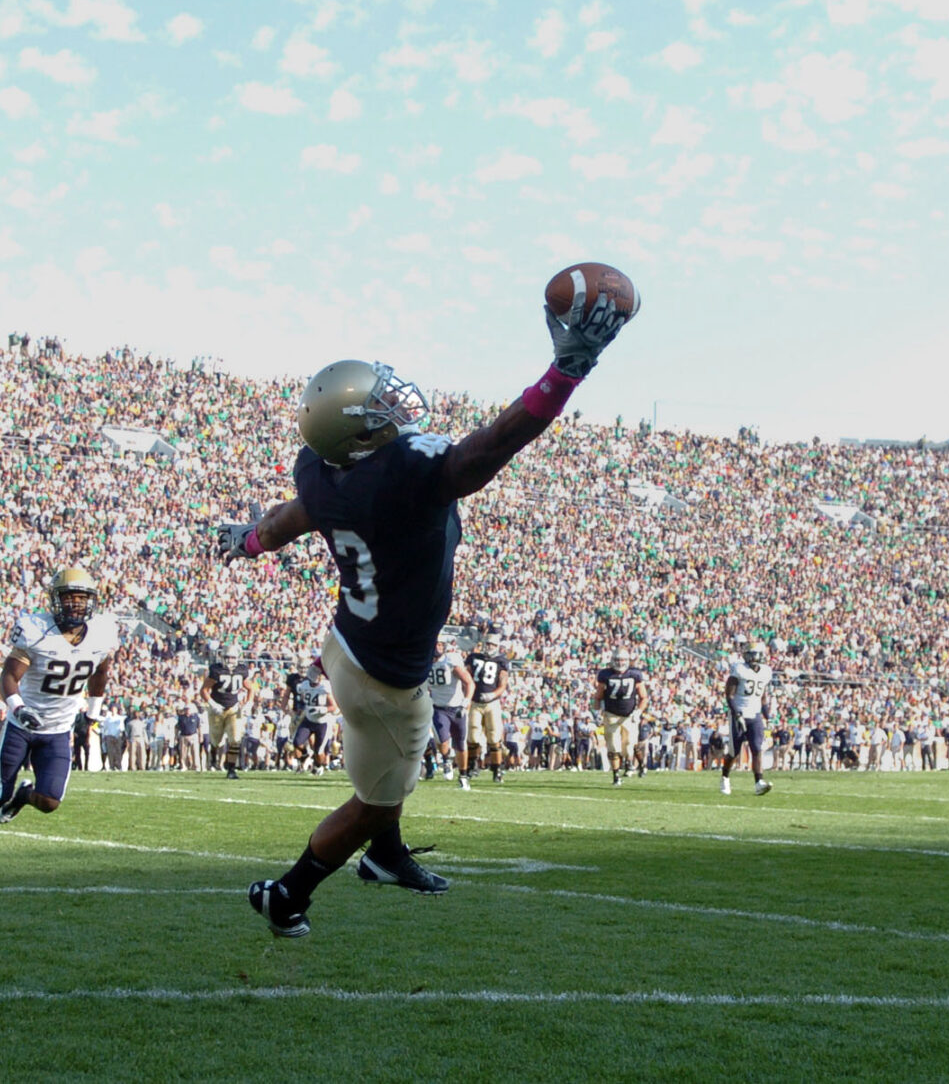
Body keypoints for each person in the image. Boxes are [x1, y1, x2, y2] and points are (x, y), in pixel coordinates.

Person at [219, 268, 640, 937]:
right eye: (377, 402)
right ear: (357, 434)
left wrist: (248, 541)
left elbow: (290, 518)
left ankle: (385, 858)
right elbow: (495, 446)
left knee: (384, 776)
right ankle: (289, 894)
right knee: (376, 798)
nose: (393, 400)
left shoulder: (324, 470)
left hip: (350, 646)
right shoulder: (399, 481)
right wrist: (567, 370)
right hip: (387, 677)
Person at [0, 567, 119, 876]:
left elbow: (101, 674)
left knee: (51, 801)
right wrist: (18, 706)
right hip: (22, 725)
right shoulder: (36, 628)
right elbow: (9, 676)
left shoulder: (102, 632)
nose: (75, 605)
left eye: (81, 599)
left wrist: (92, 714)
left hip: (58, 730)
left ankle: (25, 796)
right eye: (69, 599)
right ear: (56, 601)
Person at [720, 641, 775, 796]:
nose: (751, 657)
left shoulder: (765, 671)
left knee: (757, 748)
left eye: (753, 654)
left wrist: (767, 716)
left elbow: (763, 698)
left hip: (755, 714)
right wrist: (737, 714)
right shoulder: (739, 669)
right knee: (734, 751)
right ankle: (725, 777)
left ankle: (759, 782)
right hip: (739, 713)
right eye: (749, 654)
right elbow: (729, 695)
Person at [425, 632, 474, 789]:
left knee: (460, 743)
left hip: (457, 707)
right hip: (439, 707)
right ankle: (446, 759)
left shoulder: (450, 661)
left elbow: (469, 683)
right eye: (436, 644)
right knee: (442, 741)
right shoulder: (424, 663)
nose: (438, 647)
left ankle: (463, 775)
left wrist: (465, 704)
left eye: (441, 644)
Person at [199, 643, 253, 780]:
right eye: (227, 657)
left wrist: (247, 703)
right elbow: (203, 690)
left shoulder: (242, 670)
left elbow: (251, 689)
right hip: (217, 709)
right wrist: (212, 704)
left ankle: (231, 769)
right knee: (216, 740)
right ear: (222, 657)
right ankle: (213, 758)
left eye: (233, 658)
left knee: (235, 739)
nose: (230, 661)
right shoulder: (216, 670)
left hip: (233, 708)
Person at [595, 651, 648, 786]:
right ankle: (616, 776)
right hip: (611, 714)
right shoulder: (605, 674)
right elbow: (598, 696)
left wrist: (638, 712)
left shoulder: (634, 674)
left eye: (623, 659)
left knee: (630, 745)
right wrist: (597, 712)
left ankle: (640, 765)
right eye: (617, 659)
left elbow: (644, 697)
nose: (620, 663)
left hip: (629, 715)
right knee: (613, 746)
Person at [466, 641, 510, 783]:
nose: (489, 646)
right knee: (472, 736)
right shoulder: (473, 658)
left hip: (492, 703)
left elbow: (503, 684)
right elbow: (466, 678)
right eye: (488, 643)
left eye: (492, 644)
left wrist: (493, 694)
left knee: (494, 737)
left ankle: (497, 769)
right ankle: (472, 765)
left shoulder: (501, 661)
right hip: (475, 702)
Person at [288, 660, 334, 775]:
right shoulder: (304, 685)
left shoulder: (325, 686)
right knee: (297, 742)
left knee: (318, 751)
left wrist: (322, 709)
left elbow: (334, 706)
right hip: (309, 719)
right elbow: (304, 698)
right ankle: (304, 756)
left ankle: (318, 765)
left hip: (323, 722)